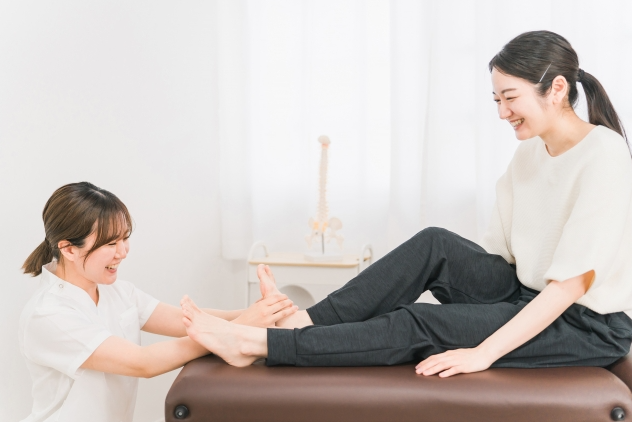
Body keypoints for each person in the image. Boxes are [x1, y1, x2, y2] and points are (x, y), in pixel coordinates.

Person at [178, 30, 632, 377]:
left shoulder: (604, 156)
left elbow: (568, 287)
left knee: (420, 321)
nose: (501, 112)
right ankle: (298, 322)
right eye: (496, 99)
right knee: (435, 243)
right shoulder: (529, 153)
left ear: (556, 89)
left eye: (511, 98)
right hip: (525, 291)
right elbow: (501, 259)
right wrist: (477, 307)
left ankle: (260, 344)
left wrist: (482, 352)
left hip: (585, 323)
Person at [18, 182, 297, 422]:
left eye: (125, 239)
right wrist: (234, 331)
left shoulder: (119, 292)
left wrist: (262, 312)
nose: (123, 252)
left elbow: (184, 321)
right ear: (68, 249)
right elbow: (142, 363)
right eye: (111, 244)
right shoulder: (49, 314)